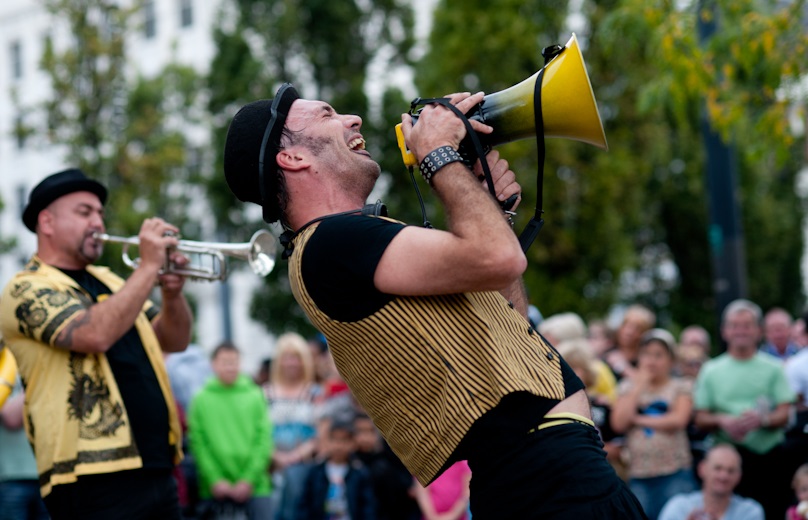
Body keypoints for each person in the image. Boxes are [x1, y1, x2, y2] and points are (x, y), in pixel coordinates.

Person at [222, 84, 646, 518]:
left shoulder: (347, 245)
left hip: (556, 474)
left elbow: (513, 325)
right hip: (547, 482)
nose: (353, 120)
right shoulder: (331, 242)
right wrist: (439, 154)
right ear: (293, 158)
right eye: (327, 114)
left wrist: (489, 211)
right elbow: (501, 257)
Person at [0, 168, 193, 520]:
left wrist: (172, 292)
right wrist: (149, 268)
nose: (98, 222)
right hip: (89, 475)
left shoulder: (110, 278)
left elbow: (174, 339)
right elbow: (93, 335)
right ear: (47, 222)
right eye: (84, 212)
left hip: (157, 464)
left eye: (100, 213)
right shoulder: (25, 288)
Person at [693, 299, 796, 519]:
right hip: (726, 462)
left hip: (768, 459)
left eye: (747, 325)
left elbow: (785, 412)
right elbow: (700, 417)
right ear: (724, 331)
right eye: (734, 325)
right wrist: (722, 420)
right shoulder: (711, 370)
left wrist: (763, 420)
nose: (741, 331)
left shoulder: (774, 368)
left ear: (759, 330)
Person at [610, 328, 697, 520]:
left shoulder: (681, 386)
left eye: (659, 355)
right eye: (647, 354)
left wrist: (638, 419)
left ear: (671, 360)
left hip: (675, 471)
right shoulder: (627, 387)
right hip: (639, 473)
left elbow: (678, 420)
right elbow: (619, 422)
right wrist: (639, 386)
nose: (652, 360)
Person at [188, 341, 273, 520]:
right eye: (225, 362)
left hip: (255, 487)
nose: (230, 367)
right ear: (213, 364)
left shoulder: (255, 395)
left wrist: (249, 479)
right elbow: (198, 442)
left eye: (234, 362)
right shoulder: (201, 399)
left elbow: (263, 439)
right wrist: (214, 479)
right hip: (214, 488)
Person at [266, 332, 322, 519]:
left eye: (297, 357)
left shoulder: (315, 392)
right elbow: (257, 432)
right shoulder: (264, 393)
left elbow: (321, 432)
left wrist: (296, 456)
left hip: (306, 467)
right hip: (270, 469)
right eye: (287, 357)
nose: (292, 363)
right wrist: (276, 456)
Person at [658, 444, 763, 520]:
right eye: (718, 468)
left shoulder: (750, 511)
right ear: (702, 469)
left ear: (739, 476)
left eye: (731, 471)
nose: (723, 476)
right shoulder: (678, 507)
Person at [297, 419, 376, 520]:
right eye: (334, 439)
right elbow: (304, 505)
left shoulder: (359, 473)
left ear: (352, 443)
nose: (339, 446)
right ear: (327, 441)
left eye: (344, 440)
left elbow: (367, 508)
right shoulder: (316, 472)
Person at [353, 413, 420, 520]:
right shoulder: (350, 464)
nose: (365, 438)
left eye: (370, 431)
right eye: (360, 431)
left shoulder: (387, 463)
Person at [0, 378, 49, 520]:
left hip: (46, 477)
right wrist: (36, 382)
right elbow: (12, 419)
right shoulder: (5, 370)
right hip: (12, 477)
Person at [604, 304, 656, 380]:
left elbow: (650, 384)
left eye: (637, 328)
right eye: (626, 325)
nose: (629, 332)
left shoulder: (646, 359)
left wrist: (622, 367)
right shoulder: (607, 352)